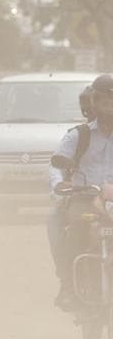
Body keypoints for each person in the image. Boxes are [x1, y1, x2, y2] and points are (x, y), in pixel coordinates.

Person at [48, 75, 113, 309]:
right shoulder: (79, 134)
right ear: (94, 102)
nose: (109, 106)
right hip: (84, 199)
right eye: (105, 100)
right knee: (68, 229)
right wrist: (59, 187)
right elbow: (56, 165)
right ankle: (68, 284)